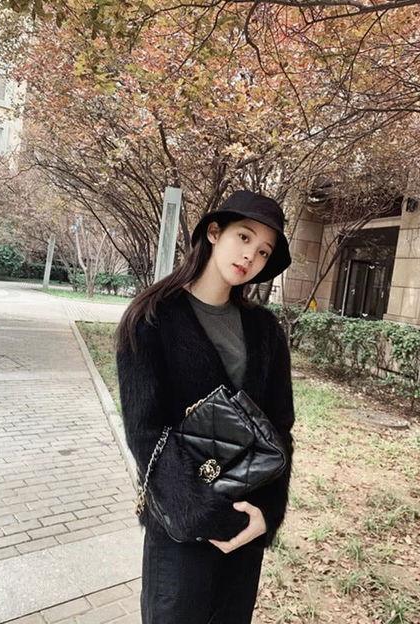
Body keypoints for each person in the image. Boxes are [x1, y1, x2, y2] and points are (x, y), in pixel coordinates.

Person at [115, 189, 296, 624]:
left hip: (246, 523)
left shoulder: (265, 329)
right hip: (180, 526)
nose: (250, 255)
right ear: (214, 232)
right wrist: (203, 515)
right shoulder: (151, 317)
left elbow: (280, 427)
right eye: (244, 237)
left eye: (263, 250)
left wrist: (266, 514)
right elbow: (145, 431)